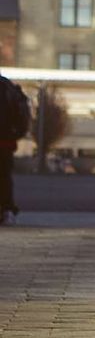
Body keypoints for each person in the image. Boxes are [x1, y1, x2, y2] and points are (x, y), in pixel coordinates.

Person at [0, 73, 30, 224]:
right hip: (6, 141)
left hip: (5, 139)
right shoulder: (8, 86)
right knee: (4, 176)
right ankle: (6, 210)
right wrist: (15, 134)